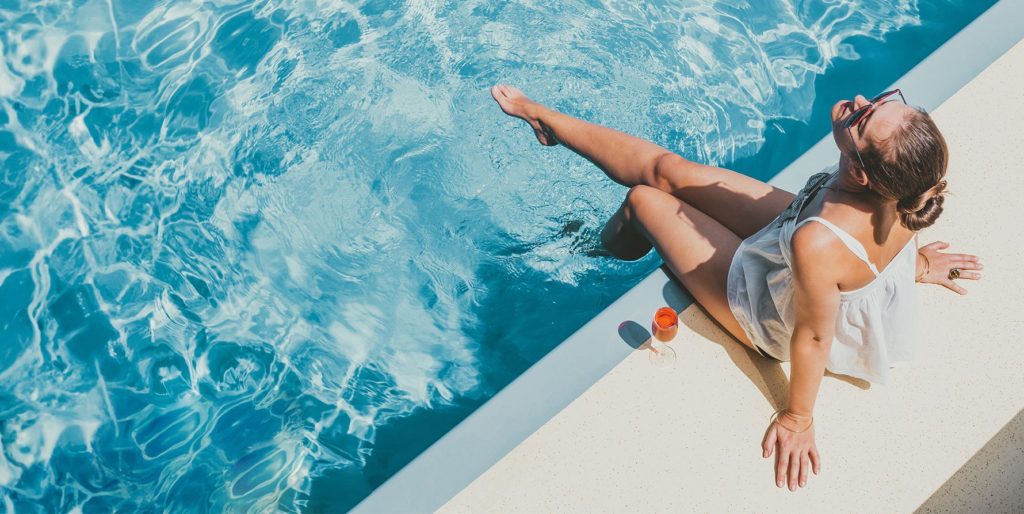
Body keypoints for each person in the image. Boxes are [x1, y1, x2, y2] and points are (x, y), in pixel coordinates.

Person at [490, 84, 982, 492]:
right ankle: (546, 120)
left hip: (766, 308)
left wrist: (797, 419)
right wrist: (913, 265)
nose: (857, 100)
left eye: (864, 116)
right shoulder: (914, 178)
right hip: (795, 239)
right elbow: (880, 248)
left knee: (644, 200)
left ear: (858, 170)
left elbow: (812, 338)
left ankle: (594, 258)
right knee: (668, 172)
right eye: (878, 100)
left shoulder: (820, 243)